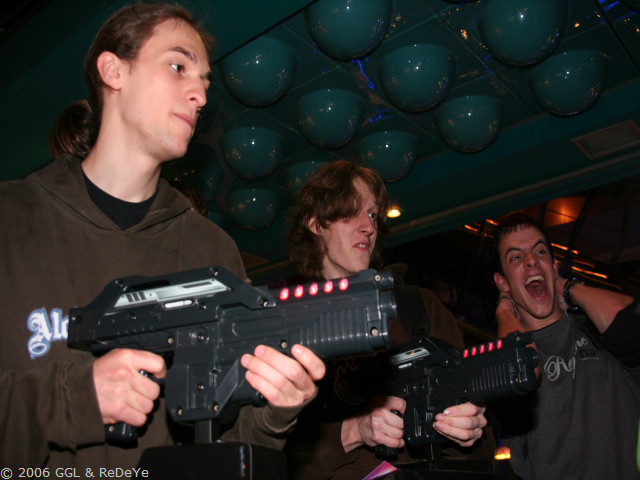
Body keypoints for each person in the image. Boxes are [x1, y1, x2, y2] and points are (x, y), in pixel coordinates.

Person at [0, 3, 325, 470]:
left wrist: (277, 410)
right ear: (113, 71)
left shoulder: (212, 251)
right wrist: (74, 400)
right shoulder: (11, 219)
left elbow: (228, 440)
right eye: (178, 67)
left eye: (205, 81)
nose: (201, 95)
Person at [285, 160, 492, 480]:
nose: (368, 227)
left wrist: (466, 429)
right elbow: (273, 457)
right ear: (316, 223)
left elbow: (482, 449)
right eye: (352, 212)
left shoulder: (418, 307)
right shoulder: (288, 326)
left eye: (372, 214)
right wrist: (354, 430)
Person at [490, 212, 640, 479]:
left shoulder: (599, 334)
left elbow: (632, 323)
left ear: (554, 265)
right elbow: (517, 369)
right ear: (502, 282)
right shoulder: (498, 358)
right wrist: (504, 308)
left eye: (540, 252)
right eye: (515, 257)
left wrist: (567, 287)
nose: (531, 260)